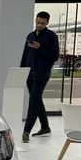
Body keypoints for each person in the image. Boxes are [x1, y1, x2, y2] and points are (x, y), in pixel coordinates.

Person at [20, 11, 59, 143]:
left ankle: (26, 131)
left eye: (42, 23)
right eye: (38, 22)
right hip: (29, 74)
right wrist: (21, 72)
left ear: (47, 23)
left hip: (42, 75)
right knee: (37, 101)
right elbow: (25, 55)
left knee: (33, 102)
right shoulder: (30, 36)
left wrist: (40, 48)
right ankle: (45, 127)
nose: (39, 25)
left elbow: (54, 56)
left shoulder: (52, 36)